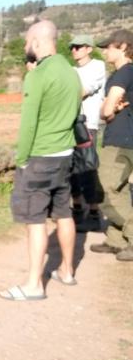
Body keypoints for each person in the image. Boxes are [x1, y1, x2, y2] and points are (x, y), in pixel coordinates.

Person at [0, 20, 81, 301]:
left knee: (35, 220)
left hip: (39, 157)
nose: (25, 47)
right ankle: (67, 271)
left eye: (26, 42)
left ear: (36, 42)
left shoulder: (37, 76)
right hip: (65, 155)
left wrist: (21, 159)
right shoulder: (71, 72)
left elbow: (28, 124)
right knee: (63, 213)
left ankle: (34, 285)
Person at [91, 29, 133, 261]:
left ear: (124, 47)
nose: (105, 50)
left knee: (106, 191)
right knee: (120, 190)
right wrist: (110, 108)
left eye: (109, 47)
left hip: (119, 141)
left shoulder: (122, 74)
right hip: (127, 140)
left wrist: (109, 110)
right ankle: (116, 241)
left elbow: (106, 110)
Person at [69, 35, 106, 231]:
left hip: (88, 124)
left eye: (78, 47)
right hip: (70, 124)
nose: (74, 50)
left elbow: (82, 91)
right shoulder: (72, 70)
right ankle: (77, 208)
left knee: (88, 168)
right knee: (72, 168)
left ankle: (94, 212)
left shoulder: (97, 66)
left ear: (88, 48)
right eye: (72, 48)